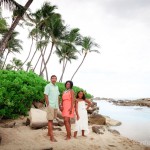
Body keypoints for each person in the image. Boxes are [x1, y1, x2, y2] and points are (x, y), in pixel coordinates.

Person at [44, 75, 60, 142]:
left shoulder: (57, 86)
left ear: (56, 79)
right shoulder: (48, 86)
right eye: (52, 78)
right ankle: (51, 137)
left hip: (56, 106)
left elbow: (58, 96)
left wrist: (58, 104)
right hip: (50, 105)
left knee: (52, 120)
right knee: (50, 120)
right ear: (51, 79)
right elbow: (45, 95)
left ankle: (48, 133)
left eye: (55, 78)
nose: (54, 79)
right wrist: (48, 104)